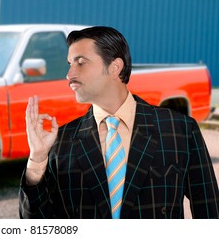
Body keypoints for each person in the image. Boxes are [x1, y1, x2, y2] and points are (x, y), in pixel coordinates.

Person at [19, 26, 219, 219]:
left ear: (115, 67)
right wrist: (37, 160)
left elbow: (210, 211)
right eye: (70, 64)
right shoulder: (60, 142)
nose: (69, 75)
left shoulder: (180, 130)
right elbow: (38, 224)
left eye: (80, 62)